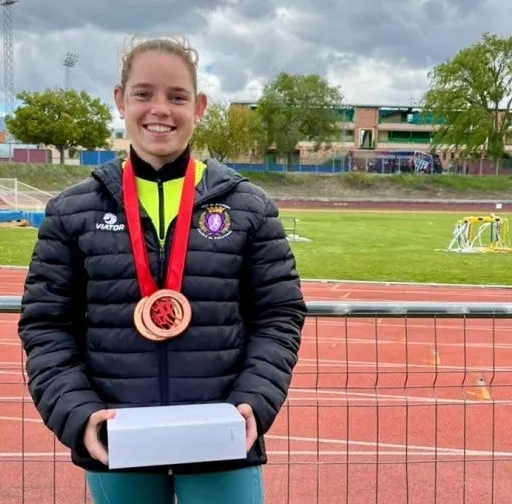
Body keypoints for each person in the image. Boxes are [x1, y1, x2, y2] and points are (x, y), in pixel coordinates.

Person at [18, 35, 306, 504]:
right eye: (143, 94)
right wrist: (78, 413)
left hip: (221, 436)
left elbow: (278, 315)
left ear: (199, 107)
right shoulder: (72, 211)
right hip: (116, 437)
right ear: (120, 100)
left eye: (177, 97)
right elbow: (46, 324)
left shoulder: (247, 207)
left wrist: (253, 401)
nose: (160, 110)